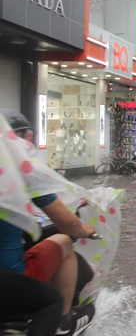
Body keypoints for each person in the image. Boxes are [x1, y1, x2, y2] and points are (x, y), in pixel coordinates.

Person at [0, 108, 96, 335]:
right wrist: (86, 230)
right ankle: (62, 322)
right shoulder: (18, 174)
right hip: (9, 279)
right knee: (63, 245)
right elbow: (68, 224)